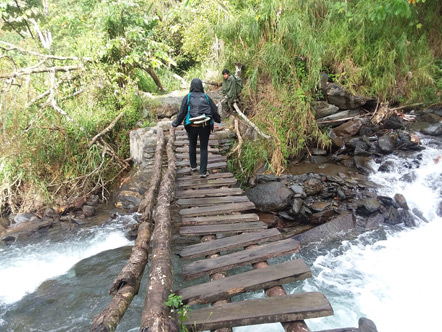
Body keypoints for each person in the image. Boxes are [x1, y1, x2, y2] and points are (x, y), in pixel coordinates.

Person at [172, 78, 221, 178]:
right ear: (201, 86)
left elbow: (182, 112)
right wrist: (218, 120)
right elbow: (214, 111)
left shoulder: (188, 97)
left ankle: (193, 166)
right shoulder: (206, 97)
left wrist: (175, 123)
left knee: (192, 145)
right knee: (203, 148)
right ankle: (203, 172)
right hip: (205, 125)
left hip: (192, 125)